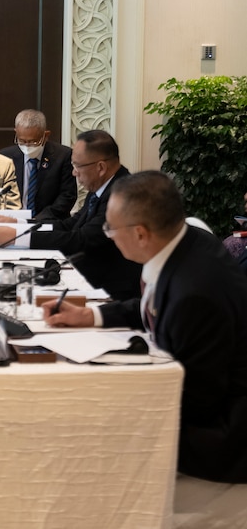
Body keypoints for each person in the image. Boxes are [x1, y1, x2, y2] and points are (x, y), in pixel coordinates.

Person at [43, 171, 247, 483]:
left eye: (111, 228)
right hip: (200, 396)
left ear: (140, 234)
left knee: (79, 431)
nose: (108, 234)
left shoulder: (194, 294)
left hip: (223, 438)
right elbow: (152, 303)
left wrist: (118, 405)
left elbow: (196, 401)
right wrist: (92, 317)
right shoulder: (188, 239)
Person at [0, 130, 141, 300]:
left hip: (111, 290)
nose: (74, 173)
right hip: (90, 278)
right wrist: (20, 224)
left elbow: (81, 240)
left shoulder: (122, 194)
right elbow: (70, 224)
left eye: (77, 166)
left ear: (100, 167)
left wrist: (17, 237)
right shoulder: (104, 184)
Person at [0, 109, 76, 220]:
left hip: (49, 223)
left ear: (46, 135)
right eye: (22, 141)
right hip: (12, 221)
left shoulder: (63, 156)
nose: (27, 145)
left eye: (33, 141)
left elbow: (67, 196)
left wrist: (37, 220)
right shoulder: (4, 157)